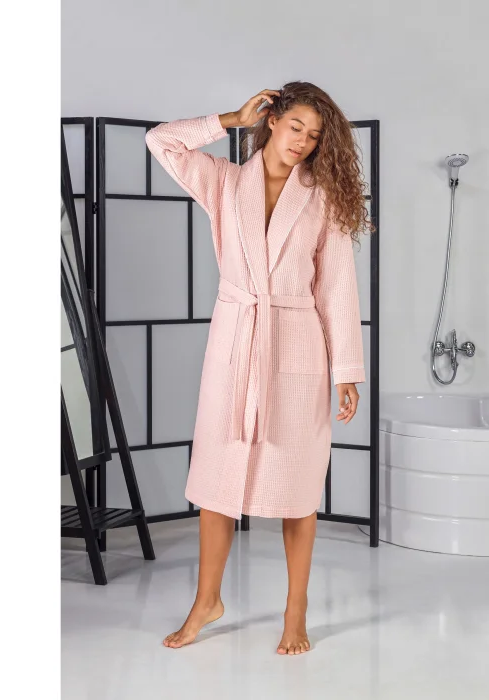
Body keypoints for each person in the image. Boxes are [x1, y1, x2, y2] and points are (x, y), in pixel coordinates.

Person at [145, 81, 373, 655]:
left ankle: (295, 612)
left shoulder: (322, 198)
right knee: (217, 479)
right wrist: (228, 119)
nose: (303, 142)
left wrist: (346, 369)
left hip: (297, 344)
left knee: (298, 484)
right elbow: (160, 141)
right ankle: (207, 601)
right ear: (271, 121)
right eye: (295, 127)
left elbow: (337, 286)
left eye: (314, 136)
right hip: (236, 339)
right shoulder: (225, 182)